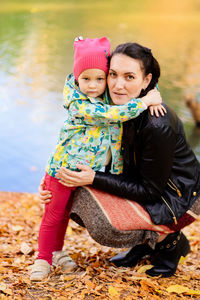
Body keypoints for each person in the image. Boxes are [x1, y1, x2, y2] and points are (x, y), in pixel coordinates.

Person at [40, 42, 200, 278]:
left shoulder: (156, 123)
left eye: (129, 77)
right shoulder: (114, 108)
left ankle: (170, 243)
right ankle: (144, 245)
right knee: (69, 191)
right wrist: (51, 180)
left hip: (178, 199)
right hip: (147, 186)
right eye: (112, 75)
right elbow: (76, 146)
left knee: (102, 222)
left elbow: (152, 191)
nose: (117, 85)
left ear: (146, 81)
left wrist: (93, 178)